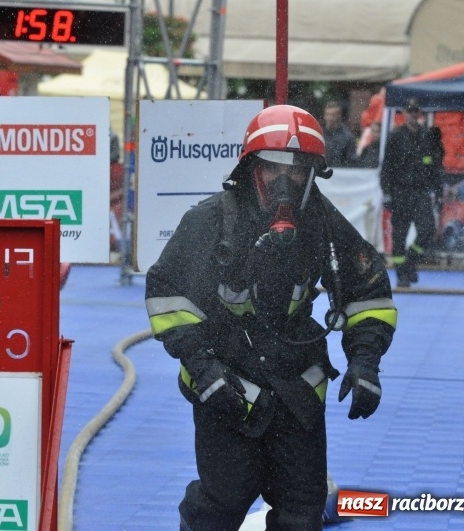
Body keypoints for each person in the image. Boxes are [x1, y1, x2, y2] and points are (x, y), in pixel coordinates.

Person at [145, 105, 397, 530]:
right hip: (226, 387)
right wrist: (203, 369)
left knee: (302, 511)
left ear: (314, 174)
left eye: (298, 170)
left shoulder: (323, 224)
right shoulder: (209, 222)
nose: (285, 182)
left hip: (297, 391)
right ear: (251, 168)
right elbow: (167, 296)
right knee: (222, 503)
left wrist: (366, 360)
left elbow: (369, 293)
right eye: (273, 168)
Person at [380, 97, 445, 288]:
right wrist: (387, 194)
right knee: (399, 236)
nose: (413, 114)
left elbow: (436, 167)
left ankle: (410, 262)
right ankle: (402, 275)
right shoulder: (396, 136)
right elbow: (387, 168)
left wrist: (439, 192)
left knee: (427, 229)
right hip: (400, 192)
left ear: (419, 113)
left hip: (420, 192)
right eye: (409, 111)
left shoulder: (427, 136)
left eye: (415, 111)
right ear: (404, 113)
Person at [322, 100, 356, 167]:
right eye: (328, 114)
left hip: (340, 173)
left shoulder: (347, 137)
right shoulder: (319, 134)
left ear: (339, 116)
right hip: (321, 172)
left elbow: (351, 160)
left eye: (333, 115)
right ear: (324, 116)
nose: (330, 118)